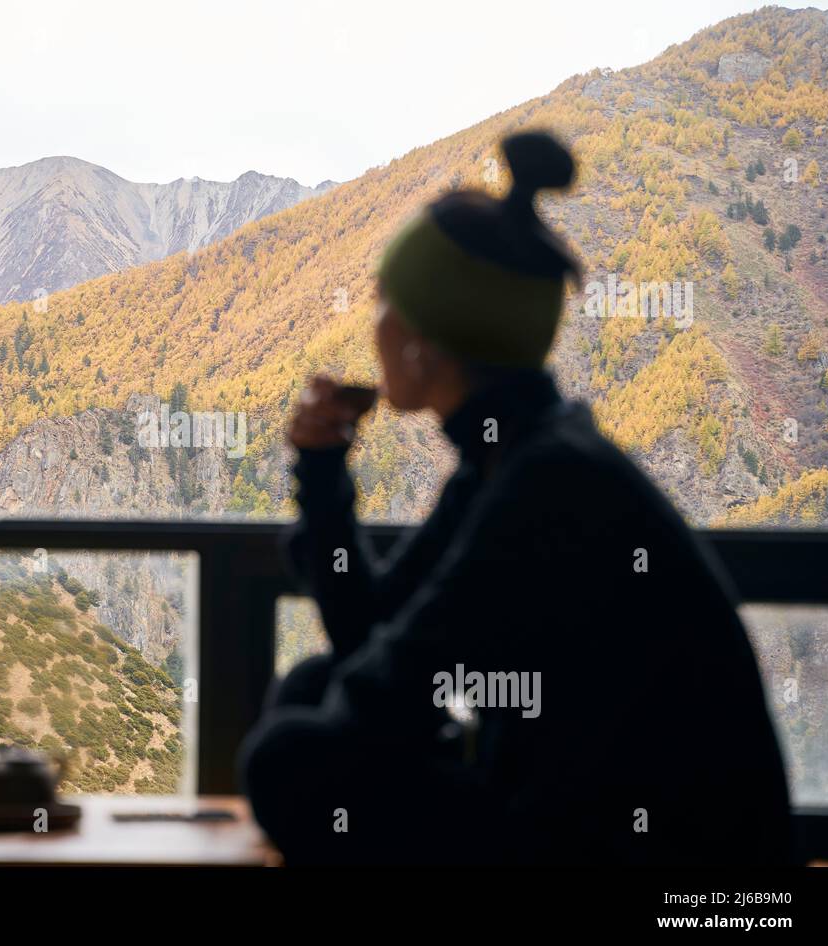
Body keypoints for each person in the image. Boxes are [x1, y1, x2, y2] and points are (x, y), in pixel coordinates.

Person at [238, 131, 793, 865]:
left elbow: (392, 682)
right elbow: (373, 632)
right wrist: (321, 473)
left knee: (285, 758)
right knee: (313, 687)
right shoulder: (515, 456)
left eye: (384, 304)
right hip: (579, 807)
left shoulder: (549, 485)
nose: (368, 327)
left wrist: (367, 725)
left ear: (423, 341)